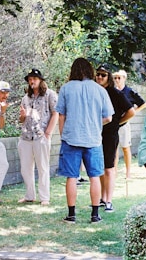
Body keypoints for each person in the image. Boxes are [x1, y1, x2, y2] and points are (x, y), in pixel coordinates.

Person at [56, 57, 114, 224]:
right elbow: (109, 117)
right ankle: (95, 214)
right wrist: (96, 123)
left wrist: (63, 134)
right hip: (93, 139)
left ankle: (71, 214)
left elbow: (61, 115)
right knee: (94, 177)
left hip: (71, 138)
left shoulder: (66, 89)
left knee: (72, 177)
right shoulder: (100, 90)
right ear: (90, 71)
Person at [95, 64, 135, 212]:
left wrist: (118, 122)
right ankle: (102, 198)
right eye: (98, 74)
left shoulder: (116, 93)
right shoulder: (94, 91)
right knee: (99, 167)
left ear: (109, 77)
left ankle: (109, 200)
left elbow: (131, 111)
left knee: (109, 167)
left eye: (103, 75)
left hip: (110, 134)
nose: (99, 77)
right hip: (95, 133)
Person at [17, 68, 58, 206]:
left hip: (41, 136)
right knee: (25, 168)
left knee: (43, 167)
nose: (31, 81)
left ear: (40, 80)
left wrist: (48, 133)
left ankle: (44, 197)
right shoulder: (25, 98)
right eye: (29, 79)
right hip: (26, 137)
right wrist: (22, 116)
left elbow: (56, 114)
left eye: (34, 78)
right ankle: (29, 195)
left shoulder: (50, 95)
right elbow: (21, 119)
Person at [113, 70, 146, 179]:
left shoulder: (129, 91)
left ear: (124, 78)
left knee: (126, 148)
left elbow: (143, 104)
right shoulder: (112, 91)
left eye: (119, 78)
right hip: (114, 124)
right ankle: (115, 172)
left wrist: (133, 112)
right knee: (114, 149)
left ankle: (128, 173)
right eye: (115, 78)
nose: (117, 80)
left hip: (124, 124)